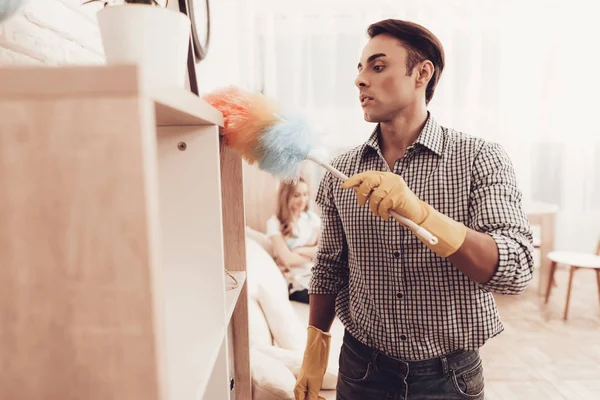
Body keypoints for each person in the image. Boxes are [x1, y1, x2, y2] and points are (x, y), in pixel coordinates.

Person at [293, 19, 534, 400]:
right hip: (361, 371)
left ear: (422, 73)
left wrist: (420, 212)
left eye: (377, 66)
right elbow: (329, 267)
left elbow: (515, 270)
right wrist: (314, 352)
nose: (360, 80)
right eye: (359, 69)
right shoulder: (341, 172)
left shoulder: (479, 159)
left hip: (450, 378)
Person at [267, 176, 322, 304]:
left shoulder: (312, 219)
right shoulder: (274, 223)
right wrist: (313, 255)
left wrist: (299, 250)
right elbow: (288, 260)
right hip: (294, 280)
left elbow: (324, 249)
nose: (302, 199)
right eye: (296, 195)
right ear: (286, 196)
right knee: (325, 300)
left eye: (305, 194)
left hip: (316, 273)